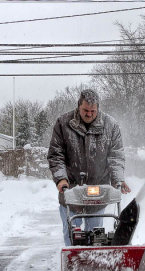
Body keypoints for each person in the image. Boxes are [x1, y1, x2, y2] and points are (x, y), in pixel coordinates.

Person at [47, 88, 131, 245]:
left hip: (98, 193)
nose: (89, 114)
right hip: (71, 192)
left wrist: (117, 178)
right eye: (85, 110)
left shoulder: (110, 126)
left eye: (93, 110)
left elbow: (116, 156)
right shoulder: (63, 124)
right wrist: (61, 179)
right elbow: (56, 155)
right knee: (72, 237)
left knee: (95, 238)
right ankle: (74, 264)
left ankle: (93, 264)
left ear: (98, 108)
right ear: (79, 105)